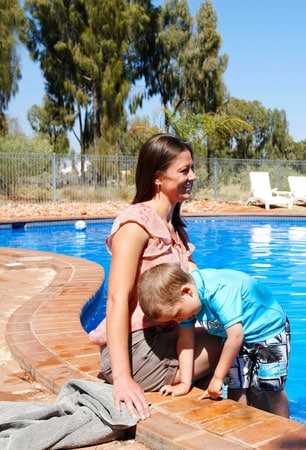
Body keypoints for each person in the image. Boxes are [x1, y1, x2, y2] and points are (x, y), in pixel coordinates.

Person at [87, 133, 222, 420]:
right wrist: (123, 379)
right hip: (138, 350)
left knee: (237, 331)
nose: (193, 176)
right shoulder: (135, 224)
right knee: (229, 342)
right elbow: (116, 299)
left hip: (168, 338)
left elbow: (201, 287)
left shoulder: (176, 231)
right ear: (158, 178)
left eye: (192, 168)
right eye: (184, 170)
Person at [137, 262, 291, 418]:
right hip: (238, 336)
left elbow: (236, 336)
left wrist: (218, 377)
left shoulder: (219, 290)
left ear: (187, 291)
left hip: (269, 332)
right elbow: (185, 342)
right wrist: (184, 383)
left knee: (271, 388)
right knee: (235, 385)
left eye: (177, 315)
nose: (178, 321)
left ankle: (286, 432)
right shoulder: (185, 303)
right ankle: (239, 426)